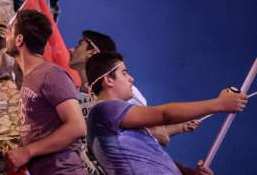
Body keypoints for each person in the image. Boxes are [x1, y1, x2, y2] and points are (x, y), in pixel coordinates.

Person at [85, 51, 246, 175]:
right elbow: (164, 114)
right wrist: (219, 104)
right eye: (124, 72)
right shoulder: (104, 109)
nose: (131, 78)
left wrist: (190, 173)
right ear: (108, 80)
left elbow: (153, 159)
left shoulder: (111, 120)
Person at [4, 9, 87, 174]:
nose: (6, 36)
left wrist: (28, 151)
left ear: (19, 40)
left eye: (10, 31)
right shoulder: (30, 77)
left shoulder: (51, 74)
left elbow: (77, 126)